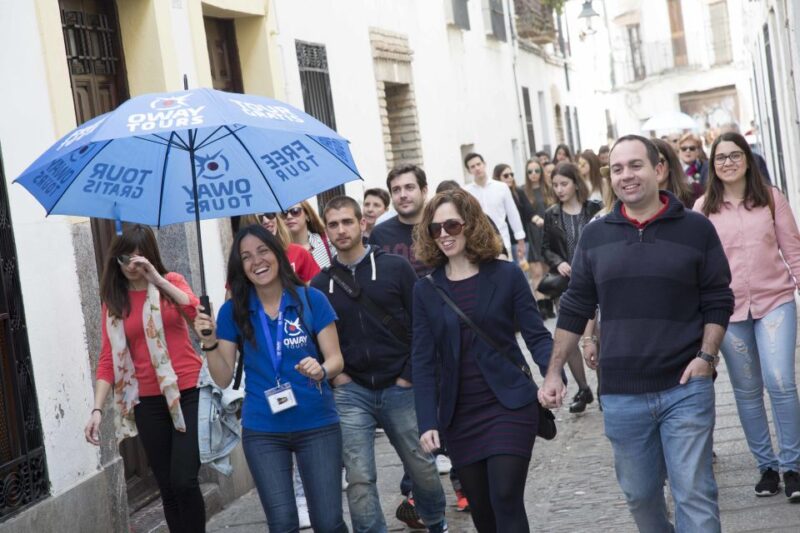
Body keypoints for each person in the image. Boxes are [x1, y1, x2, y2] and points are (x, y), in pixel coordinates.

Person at [540, 134, 734, 532]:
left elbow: (718, 298)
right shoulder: (595, 236)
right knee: (640, 495)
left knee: (694, 493)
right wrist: (555, 370)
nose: (626, 175)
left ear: (659, 169)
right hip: (622, 391)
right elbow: (577, 305)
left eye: (635, 165)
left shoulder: (696, 229)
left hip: (685, 385)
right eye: (616, 169)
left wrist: (707, 357)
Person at [412, 189, 553, 533]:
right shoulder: (426, 290)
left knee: (505, 495)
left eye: (452, 225)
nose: (444, 234)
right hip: (460, 414)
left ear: (470, 224)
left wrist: (552, 375)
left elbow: (536, 334)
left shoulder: (506, 275)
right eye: (435, 229)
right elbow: (423, 361)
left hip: (510, 404)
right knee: (484, 513)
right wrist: (427, 420)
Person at [193, 225, 348, 532]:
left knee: (329, 523)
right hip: (263, 430)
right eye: (246, 256)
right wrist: (208, 340)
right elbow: (223, 379)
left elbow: (336, 359)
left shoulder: (311, 299)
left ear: (277, 254)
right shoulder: (232, 312)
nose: (257, 261)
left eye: (263, 251)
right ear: (240, 266)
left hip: (317, 424)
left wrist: (322, 369)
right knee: (282, 524)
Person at [312, 196, 448, 532]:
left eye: (347, 221)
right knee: (358, 477)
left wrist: (408, 376)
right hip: (351, 390)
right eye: (333, 224)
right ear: (326, 231)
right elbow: (317, 337)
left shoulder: (395, 268)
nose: (341, 230)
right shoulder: (320, 285)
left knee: (422, 467)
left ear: (362, 223)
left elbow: (421, 324)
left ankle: (435, 522)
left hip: (399, 385)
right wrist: (338, 377)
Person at [695, 132, 800, 502]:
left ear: (747, 158)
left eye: (734, 155)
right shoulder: (702, 209)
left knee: (781, 381)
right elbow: (697, 267)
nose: (728, 162)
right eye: (720, 157)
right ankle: (767, 468)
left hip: (776, 303)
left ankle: (793, 467)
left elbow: (794, 252)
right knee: (747, 390)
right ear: (713, 165)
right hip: (729, 312)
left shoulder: (772, 199)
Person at [84, 225, 205, 533]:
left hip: (187, 390)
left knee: (185, 480)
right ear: (116, 260)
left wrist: (157, 278)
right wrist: (97, 410)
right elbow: (108, 359)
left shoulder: (171, 283)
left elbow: (195, 311)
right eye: (126, 257)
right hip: (148, 400)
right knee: (167, 485)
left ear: (151, 257)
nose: (133, 265)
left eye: (141, 257)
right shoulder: (115, 302)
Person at [541, 161, 601, 413]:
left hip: (595, 277)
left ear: (576, 183)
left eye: (564, 184)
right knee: (567, 337)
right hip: (567, 283)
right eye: (555, 185)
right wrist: (559, 262)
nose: (559, 189)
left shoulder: (594, 209)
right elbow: (545, 248)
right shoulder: (552, 214)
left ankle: (603, 386)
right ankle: (583, 388)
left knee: (597, 333)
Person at [369, 164, 430, 277]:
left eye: (409, 187)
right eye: (396, 190)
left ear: (424, 191)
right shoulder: (379, 234)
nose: (402, 195)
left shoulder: (440, 228)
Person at [463, 153, 526, 260]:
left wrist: (520, 240)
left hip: (503, 242)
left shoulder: (502, 187)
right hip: (479, 246)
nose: (477, 168)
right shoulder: (466, 192)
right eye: (472, 167)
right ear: (469, 171)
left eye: (478, 164)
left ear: (484, 164)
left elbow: (513, 214)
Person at [240, 213, 320, 283]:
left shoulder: (299, 252)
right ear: (249, 222)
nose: (267, 221)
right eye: (260, 217)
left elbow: (316, 290)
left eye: (270, 214)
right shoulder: (241, 261)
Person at [522, 158, 557, 319]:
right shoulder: (523, 191)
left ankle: (549, 304)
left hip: (548, 232)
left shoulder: (549, 188)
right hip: (532, 233)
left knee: (548, 270)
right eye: (530, 171)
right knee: (536, 272)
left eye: (537, 170)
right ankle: (541, 306)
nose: (534, 174)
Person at [492, 163, 535, 262]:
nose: (510, 177)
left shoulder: (518, 192)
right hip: (503, 240)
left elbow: (529, 211)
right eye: (506, 175)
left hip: (520, 240)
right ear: (498, 177)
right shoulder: (495, 194)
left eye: (511, 174)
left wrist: (536, 219)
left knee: (522, 271)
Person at [283, 200, 335, 269]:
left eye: (295, 211)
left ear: (307, 215)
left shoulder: (327, 240)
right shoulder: (282, 253)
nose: (289, 216)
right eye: (284, 213)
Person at [651, 138, 699, 207]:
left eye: (659, 161)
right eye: (650, 162)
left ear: (670, 164)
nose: (656, 167)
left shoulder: (693, 192)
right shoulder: (638, 201)